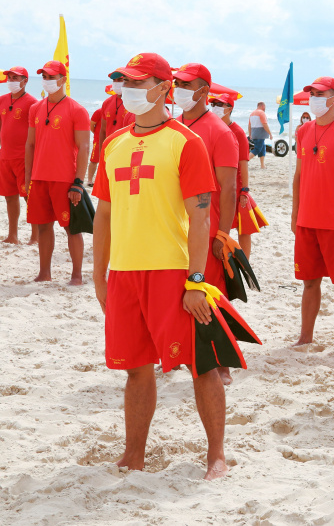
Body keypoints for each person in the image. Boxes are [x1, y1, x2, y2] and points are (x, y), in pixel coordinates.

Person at [92, 52, 228, 480]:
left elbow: (201, 216)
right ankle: (134, 454)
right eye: (124, 83)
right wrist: (100, 276)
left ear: (163, 89)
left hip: (172, 272)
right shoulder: (114, 143)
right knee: (135, 368)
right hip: (126, 272)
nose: (128, 90)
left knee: (199, 362)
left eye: (138, 82)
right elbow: (104, 215)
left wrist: (196, 280)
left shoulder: (186, 141)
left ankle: (216, 455)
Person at [174, 63, 239, 385]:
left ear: (203, 91)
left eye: (186, 84)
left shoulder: (219, 131)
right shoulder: (173, 126)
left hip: (208, 227)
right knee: (178, 292)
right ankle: (178, 356)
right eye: (176, 83)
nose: (178, 89)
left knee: (212, 295)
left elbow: (229, 187)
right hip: (176, 227)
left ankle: (222, 365)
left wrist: (224, 233)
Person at [293, 76, 334, 357]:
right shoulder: (304, 131)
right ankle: (305, 337)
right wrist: (295, 214)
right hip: (307, 220)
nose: (314, 97)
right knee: (309, 282)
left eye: (320, 93)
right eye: (312, 93)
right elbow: (297, 175)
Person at [24, 60, 91, 284]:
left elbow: (84, 147)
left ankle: (77, 275)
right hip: (40, 177)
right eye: (44, 77)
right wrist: (27, 179)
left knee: (71, 228)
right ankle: (44, 273)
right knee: (43, 226)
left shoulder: (77, 110)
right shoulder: (35, 108)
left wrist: (78, 183)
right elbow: (30, 145)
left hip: (65, 178)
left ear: (63, 79)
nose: (47, 81)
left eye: (52, 77)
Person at [210, 91, 255, 257]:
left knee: (243, 226)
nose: (215, 107)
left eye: (219, 105)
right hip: (215, 185)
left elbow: (243, 163)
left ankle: (245, 261)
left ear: (229, 108)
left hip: (234, 186)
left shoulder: (237, 131)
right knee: (218, 223)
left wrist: (245, 190)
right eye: (213, 104)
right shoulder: (212, 127)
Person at [0, 66, 38, 245]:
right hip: (5, 156)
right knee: (9, 196)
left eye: (16, 78)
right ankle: (12, 235)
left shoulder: (32, 103)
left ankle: (35, 236)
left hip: (23, 157)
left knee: (29, 196)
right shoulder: (2, 100)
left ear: (25, 81)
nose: (11, 81)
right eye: (10, 77)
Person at [92, 76, 134, 185]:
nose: (116, 83)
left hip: (128, 154)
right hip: (110, 152)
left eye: (119, 80)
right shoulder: (107, 102)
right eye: (114, 80)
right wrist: (102, 154)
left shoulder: (133, 102)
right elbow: (103, 130)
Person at [248, 102, 272, 169]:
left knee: (262, 148)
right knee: (257, 149)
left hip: (254, 134)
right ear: (262, 106)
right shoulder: (261, 113)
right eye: (265, 107)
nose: (265, 108)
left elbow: (249, 125)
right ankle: (245, 161)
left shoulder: (252, 113)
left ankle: (262, 165)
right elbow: (264, 124)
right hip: (260, 135)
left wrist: (250, 134)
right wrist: (270, 133)